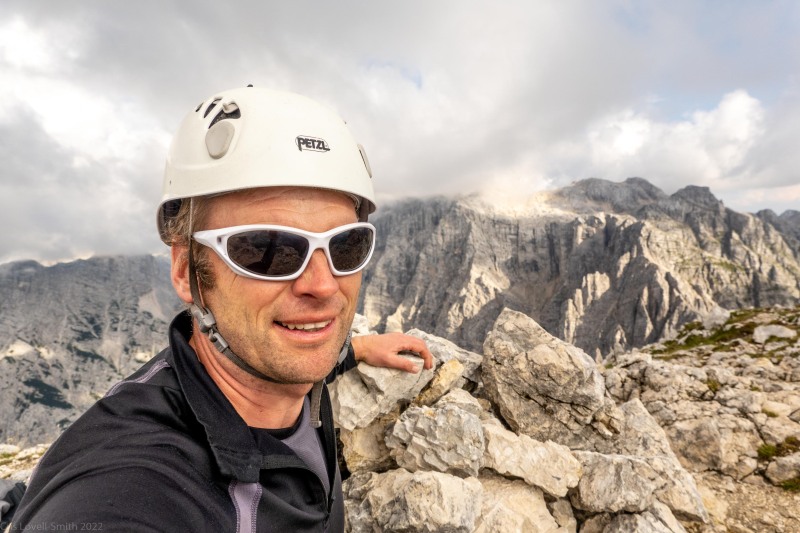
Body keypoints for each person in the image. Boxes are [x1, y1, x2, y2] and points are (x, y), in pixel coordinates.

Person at [12, 86, 433, 532]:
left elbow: (303, 349)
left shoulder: (278, 364)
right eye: (269, 250)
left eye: (347, 246)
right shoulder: (135, 485)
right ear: (185, 269)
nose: (323, 286)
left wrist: (359, 347)